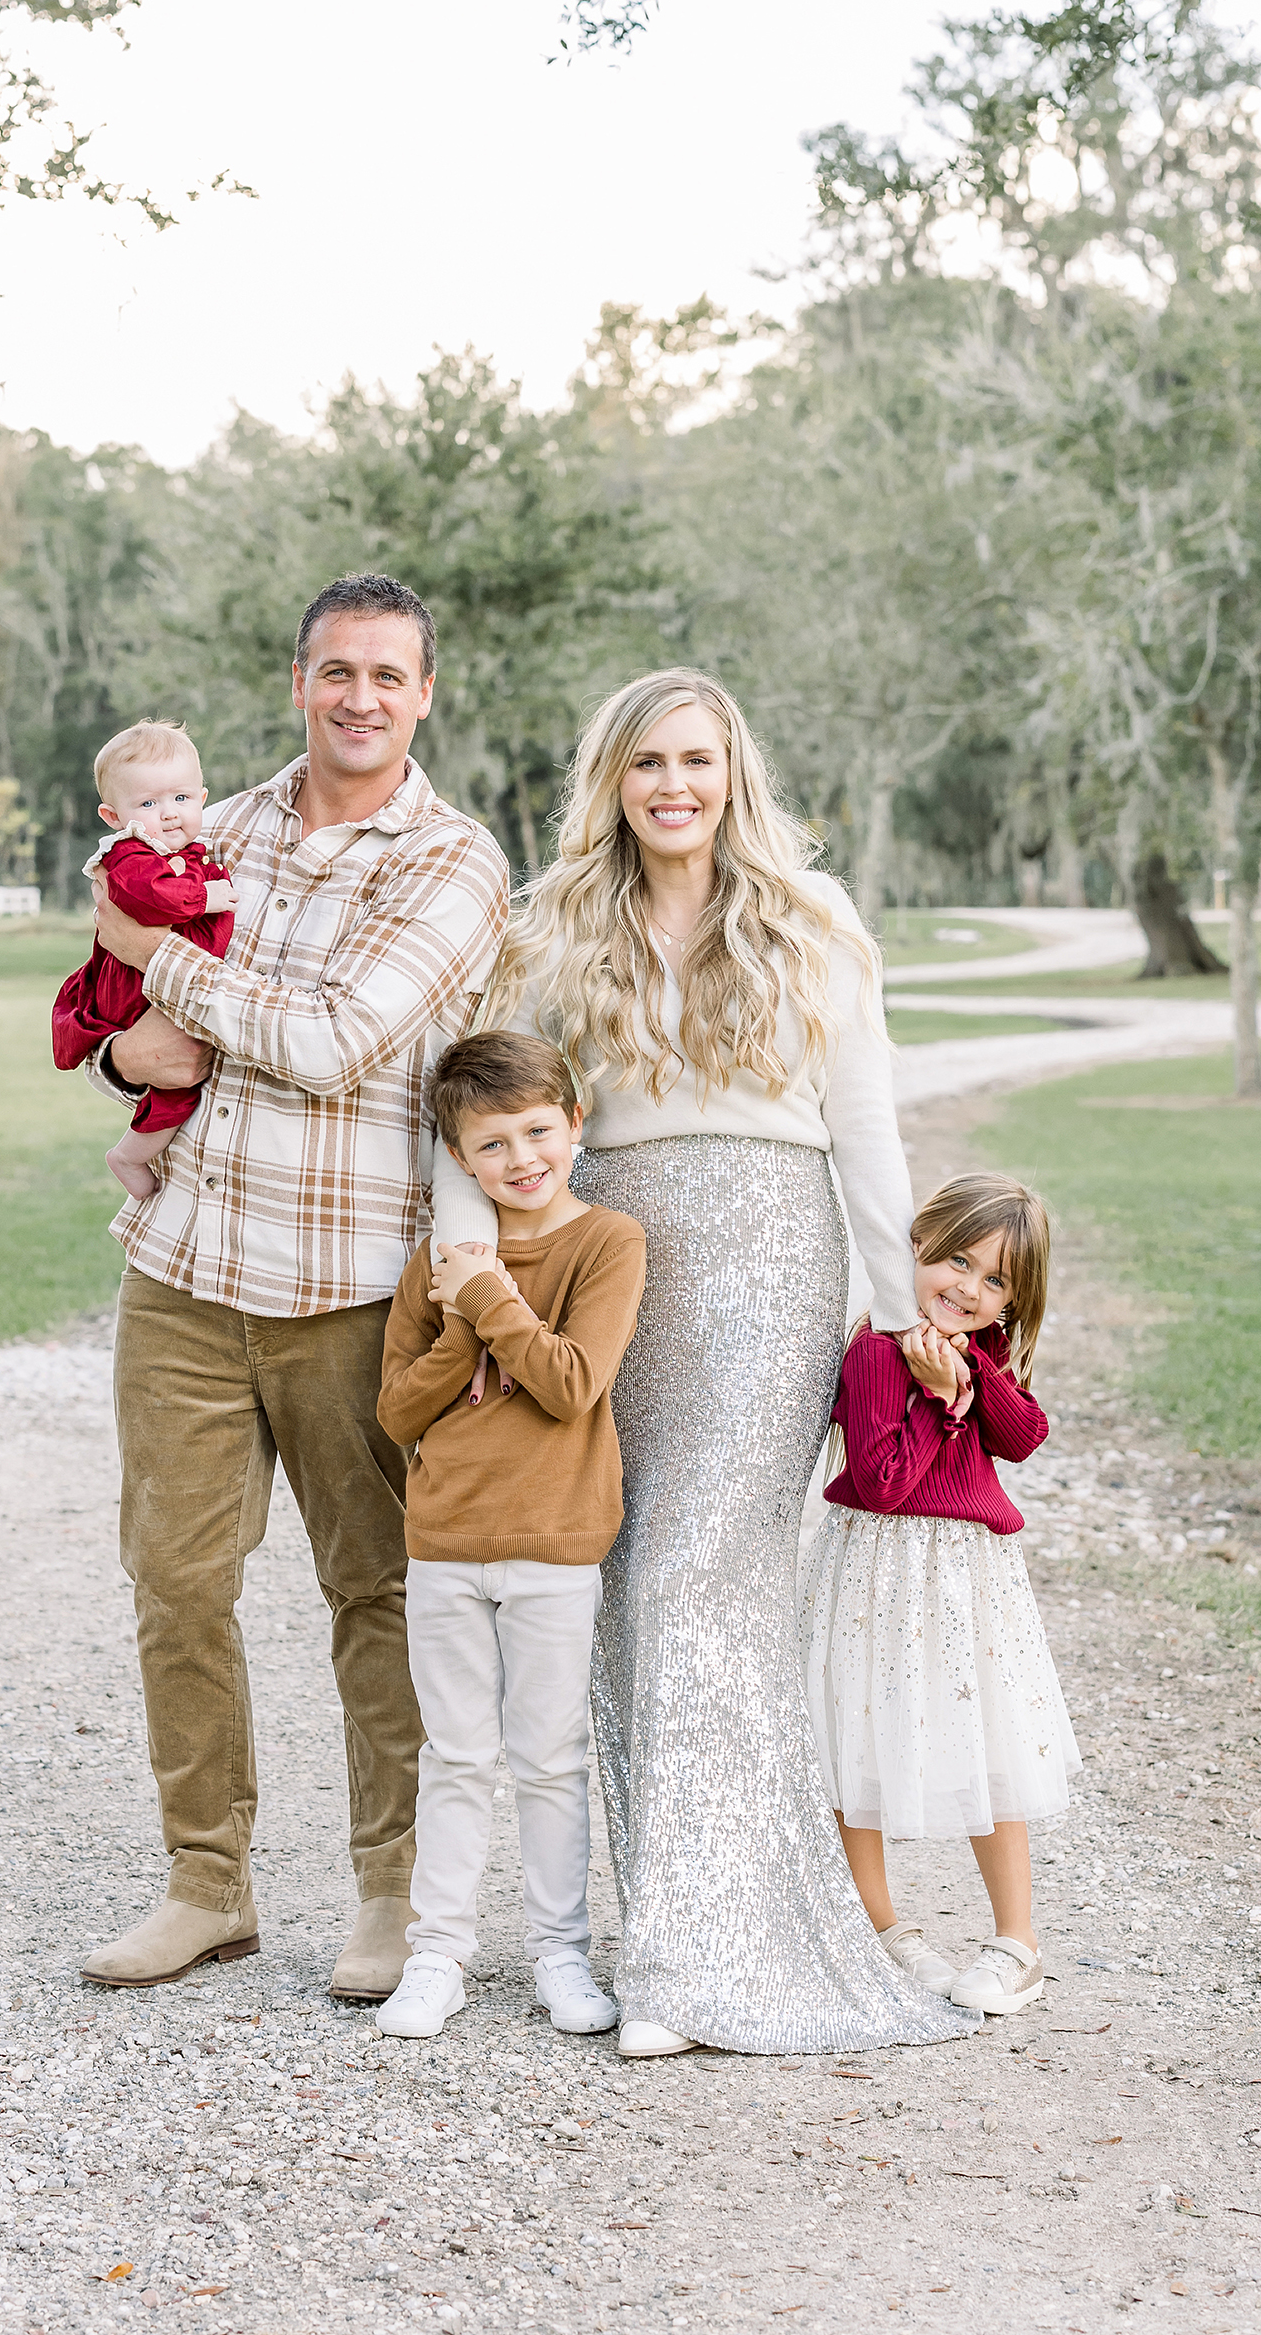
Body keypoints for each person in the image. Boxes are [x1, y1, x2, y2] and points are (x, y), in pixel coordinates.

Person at [431, 668, 976, 2059]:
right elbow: (479, 1104)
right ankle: (669, 1923)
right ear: (609, 779)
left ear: (732, 772)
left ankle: (693, 1963)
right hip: (610, 1268)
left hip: (768, 1273)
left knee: (700, 1582)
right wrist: (476, 1280)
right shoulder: (547, 926)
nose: (673, 786)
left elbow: (866, 1132)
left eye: (696, 760)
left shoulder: (813, 919)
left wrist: (896, 1313)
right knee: (622, 1585)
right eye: (645, 763)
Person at [75, 573, 511, 1996]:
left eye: (388, 675)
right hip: (187, 1274)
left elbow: (336, 1042)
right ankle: (207, 1883)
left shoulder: (451, 863)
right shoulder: (216, 825)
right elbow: (117, 993)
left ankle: (393, 1896)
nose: (361, 699)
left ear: (424, 693)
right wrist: (119, 1047)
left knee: (373, 1593)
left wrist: (168, 982)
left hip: (347, 1293)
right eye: (337, 672)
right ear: (299, 679)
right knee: (175, 1583)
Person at [373, 1032, 647, 2041]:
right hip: (445, 1539)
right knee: (453, 1754)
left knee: (546, 1754)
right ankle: (436, 1955)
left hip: (555, 1540)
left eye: (538, 1131)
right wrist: (458, 1324)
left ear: (575, 1122)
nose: (521, 1159)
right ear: (457, 1158)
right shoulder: (435, 1263)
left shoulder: (606, 1242)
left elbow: (574, 1381)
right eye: (491, 1145)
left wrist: (488, 1299)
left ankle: (559, 1953)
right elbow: (398, 1411)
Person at [799, 1172, 1081, 2018]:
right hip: (876, 1569)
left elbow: (1023, 1435)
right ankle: (881, 1928)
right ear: (915, 1245)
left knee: (984, 1739)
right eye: (956, 1259)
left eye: (995, 1281)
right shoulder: (881, 1350)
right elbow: (883, 1482)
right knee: (857, 1741)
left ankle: (1016, 1943)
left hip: (965, 1579)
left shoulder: (978, 1350)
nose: (968, 1287)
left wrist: (968, 1383)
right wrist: (939, 1401)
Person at [52, 721, 238, 1197]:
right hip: (134, 988)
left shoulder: (186, 848)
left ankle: (135, 1151)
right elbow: (150, 898)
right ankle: (130, 1156)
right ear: (114, 815)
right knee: (176, 1087)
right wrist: (206, 896)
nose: (169, 814)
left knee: (181, 1080)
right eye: (148, 804)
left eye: (181, 799)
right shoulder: (130, 855)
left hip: (161, 980)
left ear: (203, 795)